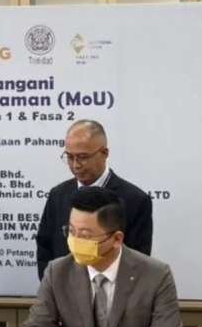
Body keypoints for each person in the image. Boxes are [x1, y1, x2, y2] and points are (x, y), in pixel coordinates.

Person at [19, 187, 184, 327]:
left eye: (85, 236)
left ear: (117, 239)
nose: (75, 241)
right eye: (71, 231)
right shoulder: (57, 271)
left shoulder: (156, 275)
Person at [36, 120, 152, 280]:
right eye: (69, 157)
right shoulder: (58, 195)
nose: (75, 165)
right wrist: (52, 287)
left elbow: (137, 261)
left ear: (104, 153)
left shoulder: (135, 200)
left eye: (82, 157)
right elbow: (44, 247)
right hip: (62, 291)